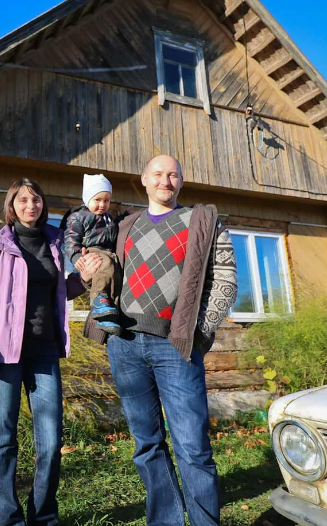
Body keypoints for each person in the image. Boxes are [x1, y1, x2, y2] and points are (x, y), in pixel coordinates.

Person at [78, 155, 238, 526]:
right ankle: (165, 520)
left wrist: (198, 332)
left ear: (181, 181)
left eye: (173, 175)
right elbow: (104, 272)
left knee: (192, 447)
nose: (166, 180)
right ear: (144, 180)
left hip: (175, 348)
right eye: (158, 174)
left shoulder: (203, 221)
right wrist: (89, 272)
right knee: (147, 445)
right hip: (125, 345)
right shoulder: (124, 226)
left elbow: (226, 282)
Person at [0, 177, 102, 526]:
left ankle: (43, 516)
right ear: (12, 205)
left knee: (50, 440)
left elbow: (64, 288)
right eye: (24, 200)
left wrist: (85, 278)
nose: (31, 206)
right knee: (4, 437)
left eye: (37, 200)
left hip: (44, 352)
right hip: (4, 353)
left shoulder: (56, 241)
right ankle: (7, 518)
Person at [60, 173, 127, 335]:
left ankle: (107, 314)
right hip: (93, 251)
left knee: (114, 275)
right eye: (97, 200)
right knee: (104, 266)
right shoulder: (79, 217)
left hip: (109, 253)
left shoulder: (109, 218)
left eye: (106, 200)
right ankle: (99, 300)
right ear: (87, 199)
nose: (102, 204)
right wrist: (76, 256)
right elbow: (70, 238)